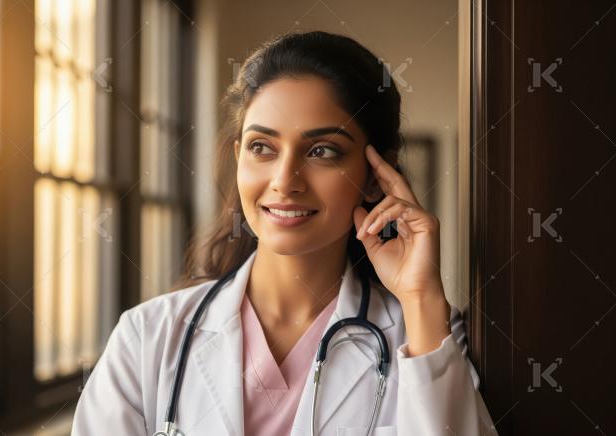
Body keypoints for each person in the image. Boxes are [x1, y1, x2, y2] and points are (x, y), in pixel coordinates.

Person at [71, 30, 497, 436]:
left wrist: (420, 297)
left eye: (322, 151)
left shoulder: (424, 335)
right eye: (262, 148)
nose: (285, 179)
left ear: (374, 176)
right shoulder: (148, 338)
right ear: (239, 159)